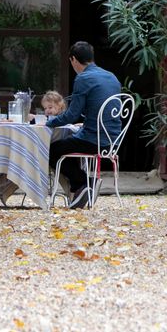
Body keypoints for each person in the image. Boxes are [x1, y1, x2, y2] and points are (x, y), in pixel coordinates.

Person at [46, 41, 120, 209]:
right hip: (113, 140)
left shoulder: (83, 78)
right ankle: (80, 188)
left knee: (53, 150)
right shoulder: (112, 77)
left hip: (94, 140)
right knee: (70, 142)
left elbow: (71, 115)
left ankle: (84, 183)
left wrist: (49, 122)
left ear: (73, 59)